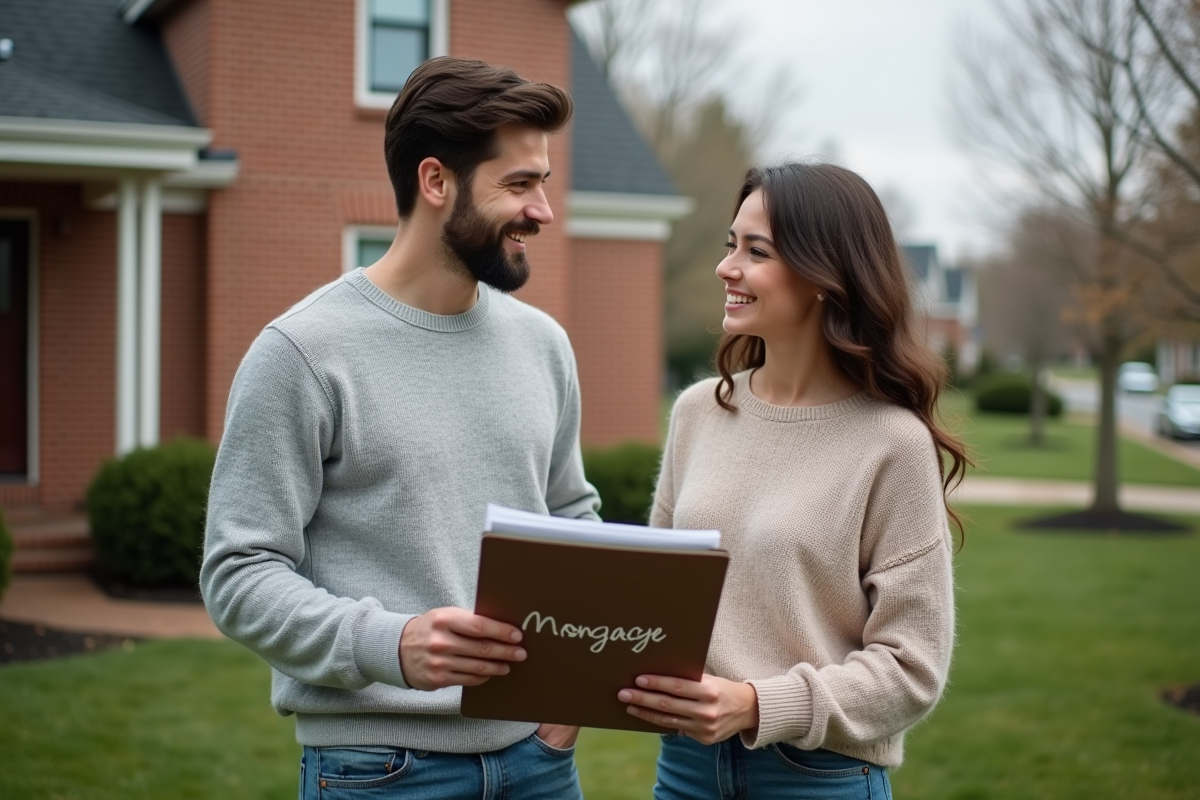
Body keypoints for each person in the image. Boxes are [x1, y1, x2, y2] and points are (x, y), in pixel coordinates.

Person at [200, 57, 600, 800]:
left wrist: (569, 703)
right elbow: (239, 572)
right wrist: (391, 643)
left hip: (539, 762)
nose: (543, 211)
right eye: (519, 184)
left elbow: (570, 519)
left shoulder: (544, 344)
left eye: (543, 182)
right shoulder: (302, 353)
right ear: (436, 181)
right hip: (380, 772)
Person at [618, 162, 967, 798]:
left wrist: (757, 704)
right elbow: (657, 600)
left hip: (817, 777)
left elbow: (912, 668)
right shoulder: (698, 412)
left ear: (823, 276)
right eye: (731, 245)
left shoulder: (892, 443)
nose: (726, 268)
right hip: (686, 769)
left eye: (757, 252)